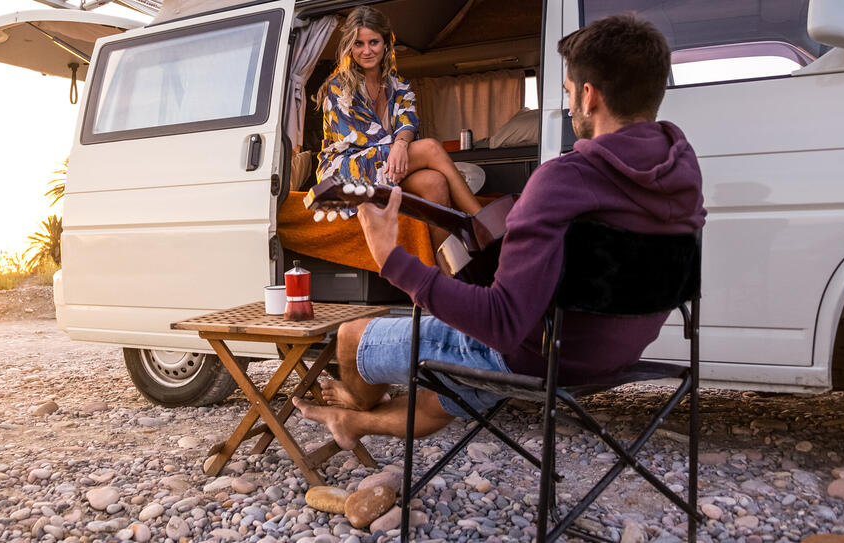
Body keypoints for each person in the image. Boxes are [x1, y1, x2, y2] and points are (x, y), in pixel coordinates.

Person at [295, 13, 707, 450]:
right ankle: (354, 424)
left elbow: (500, 323)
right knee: (441, 393)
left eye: (567, 93)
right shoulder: (683, 174)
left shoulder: (562, 180)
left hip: (536, 358)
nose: (568, 106)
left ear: (589, 97)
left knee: (352, 334)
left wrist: (392, 260)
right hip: (617, 356)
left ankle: (354, 404)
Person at [314, 7, 482, 250]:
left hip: (389, 164)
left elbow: (408, 121)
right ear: (350, 47)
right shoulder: (339, 87)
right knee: (431, 148)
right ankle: (482, 222)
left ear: (385, 44)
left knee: (435, 182)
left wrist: (402, 144)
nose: (367, 50)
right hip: (345, 170)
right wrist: (402, 145)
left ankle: (443, 274)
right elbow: (364, 138)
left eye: (373, 42)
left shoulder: (398, 85)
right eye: (358, 43)